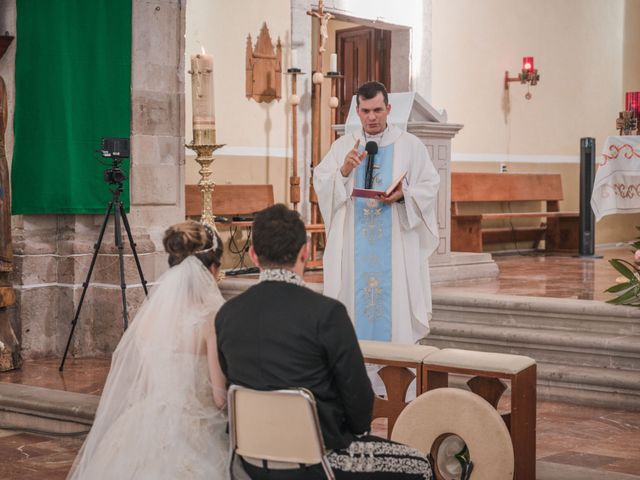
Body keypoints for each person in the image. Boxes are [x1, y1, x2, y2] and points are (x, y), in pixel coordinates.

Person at [216, 204, 433, 480]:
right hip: (321, 462)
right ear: (305, 252)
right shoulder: (326, 314)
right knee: (420, 465)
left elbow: (229, 385)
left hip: (251, 461)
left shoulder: (228, 314)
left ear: (253, 255)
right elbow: (359, 403)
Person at [68, 221, 229, 480]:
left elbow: (142, 383)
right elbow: (219, 398)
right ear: (211, 269)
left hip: (146, 417)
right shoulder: (211, 318)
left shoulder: (150, 318)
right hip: (195, 426)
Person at [314, 81, 440, 345]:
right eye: (366, 110)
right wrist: (345, 171)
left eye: (378, 110)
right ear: (357, 111)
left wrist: (404, 194)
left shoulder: (410, 145)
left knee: (395, 308)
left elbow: (430, 184)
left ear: (389, 109)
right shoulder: (343, 147)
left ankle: (396, 378)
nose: (372, 117)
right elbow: (322, 183)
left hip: (395, 239)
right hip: (353, 243)